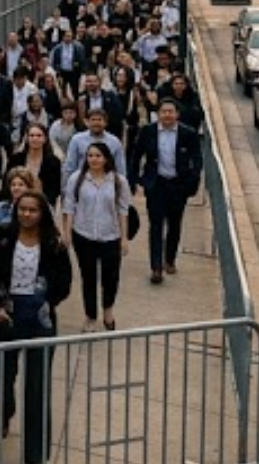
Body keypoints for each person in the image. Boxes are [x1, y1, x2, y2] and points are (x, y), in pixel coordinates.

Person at [0, 191, 73, 464]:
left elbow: (64, 282)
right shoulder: (2, 236)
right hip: (6, 318)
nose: (26, 215)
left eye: (33, 210)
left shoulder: (53, 243)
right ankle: (5, 409)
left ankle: (34, 458)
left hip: (39, 320)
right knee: (3, 374)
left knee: (37, 388)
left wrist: (49, 301)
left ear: (42, 213)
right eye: (22, 209)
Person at [128, 98, 203, 284]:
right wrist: (135, 180)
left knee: (174, 224)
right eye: (164, 111)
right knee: (155, 225)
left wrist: (191, 183)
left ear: (177, 114)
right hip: (156, 184)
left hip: (178, 186)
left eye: (171, 112)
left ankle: (170, 259)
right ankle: (156, 267)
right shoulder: (148, 131)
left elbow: (197, 160)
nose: (167, 115)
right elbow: (136, 156)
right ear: (158, 114)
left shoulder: (189, 134)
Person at [62, 142, 132, 332]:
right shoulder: (77, 179)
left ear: (106, 158)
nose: (94, 159)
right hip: (83, 235)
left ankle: (108, 310)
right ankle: (90, 315)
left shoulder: (118, 181)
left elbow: (123, 210)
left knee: (111, 278)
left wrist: (124, 238)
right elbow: (69, 207)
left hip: (110, 236)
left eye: (98, 156)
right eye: (90, 156)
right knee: (89, 277)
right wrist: (67, 233)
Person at [62, 106, 126, 182]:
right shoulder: (76, 140)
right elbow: (69, 167)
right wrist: (65, 190)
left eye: (99, 120)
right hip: (81, 183)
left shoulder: (115, 142)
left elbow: (120, 169)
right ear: (87, 122)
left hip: (108, 184)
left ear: (105, 123)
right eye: (93, 120)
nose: (96, 123)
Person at [13, 123, 65, 208]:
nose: (35, 138)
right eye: (32, 135)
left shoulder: (53, 162)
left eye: (39, 135)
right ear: (26, 139)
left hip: (43, 205)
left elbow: (55, 190)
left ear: (45, 139)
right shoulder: (16, 159)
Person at [0, 167, 41, 239]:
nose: (16, 188)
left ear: (29, 187)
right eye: (13, 185)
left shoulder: (38, 208)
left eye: (21, 185)